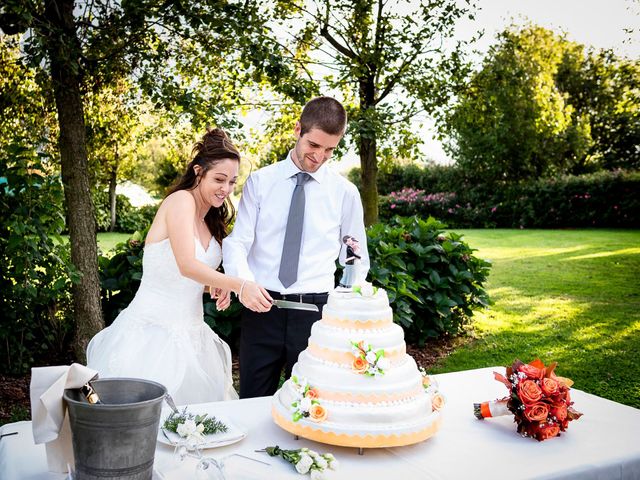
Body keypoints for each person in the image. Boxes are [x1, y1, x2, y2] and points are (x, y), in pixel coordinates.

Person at [87, 128, 272, 405]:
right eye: (219, 179)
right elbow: (186, 265)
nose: (226, 189)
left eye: (233, 182)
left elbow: (186, 274)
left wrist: (215, 285)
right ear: (199, 172)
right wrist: (238, 284)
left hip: (193, 336)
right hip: (152, 334)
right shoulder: (180, 201)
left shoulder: (210, 217)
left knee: (196, 424)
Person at [223, 96, 369, 398]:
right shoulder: (260, 182)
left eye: (330, 149)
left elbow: (355, 257)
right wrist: (242, 283)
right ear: (297, 129)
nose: (320, 156)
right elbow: (238, 242)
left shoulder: (345, 193)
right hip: (261, 306)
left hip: (315, 315)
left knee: (311, 406)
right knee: (251, 401)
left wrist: (346, 305)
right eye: (313, 146)